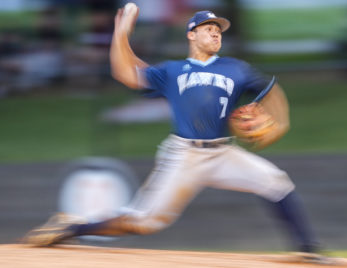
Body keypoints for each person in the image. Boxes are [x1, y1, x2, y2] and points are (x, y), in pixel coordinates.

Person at [24, 6, 329, 263]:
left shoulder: (237, 68)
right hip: (184, 155)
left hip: (223, 152)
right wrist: (121, 34)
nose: (215, 33)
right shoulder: (172, 70)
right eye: (208, 28)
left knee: (275, 182)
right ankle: (73, 226)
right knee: (144, 221)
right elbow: (126, 73)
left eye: (218, 30)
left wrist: (280, 122)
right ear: (191, 34)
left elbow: (272, 91)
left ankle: (308, 249)